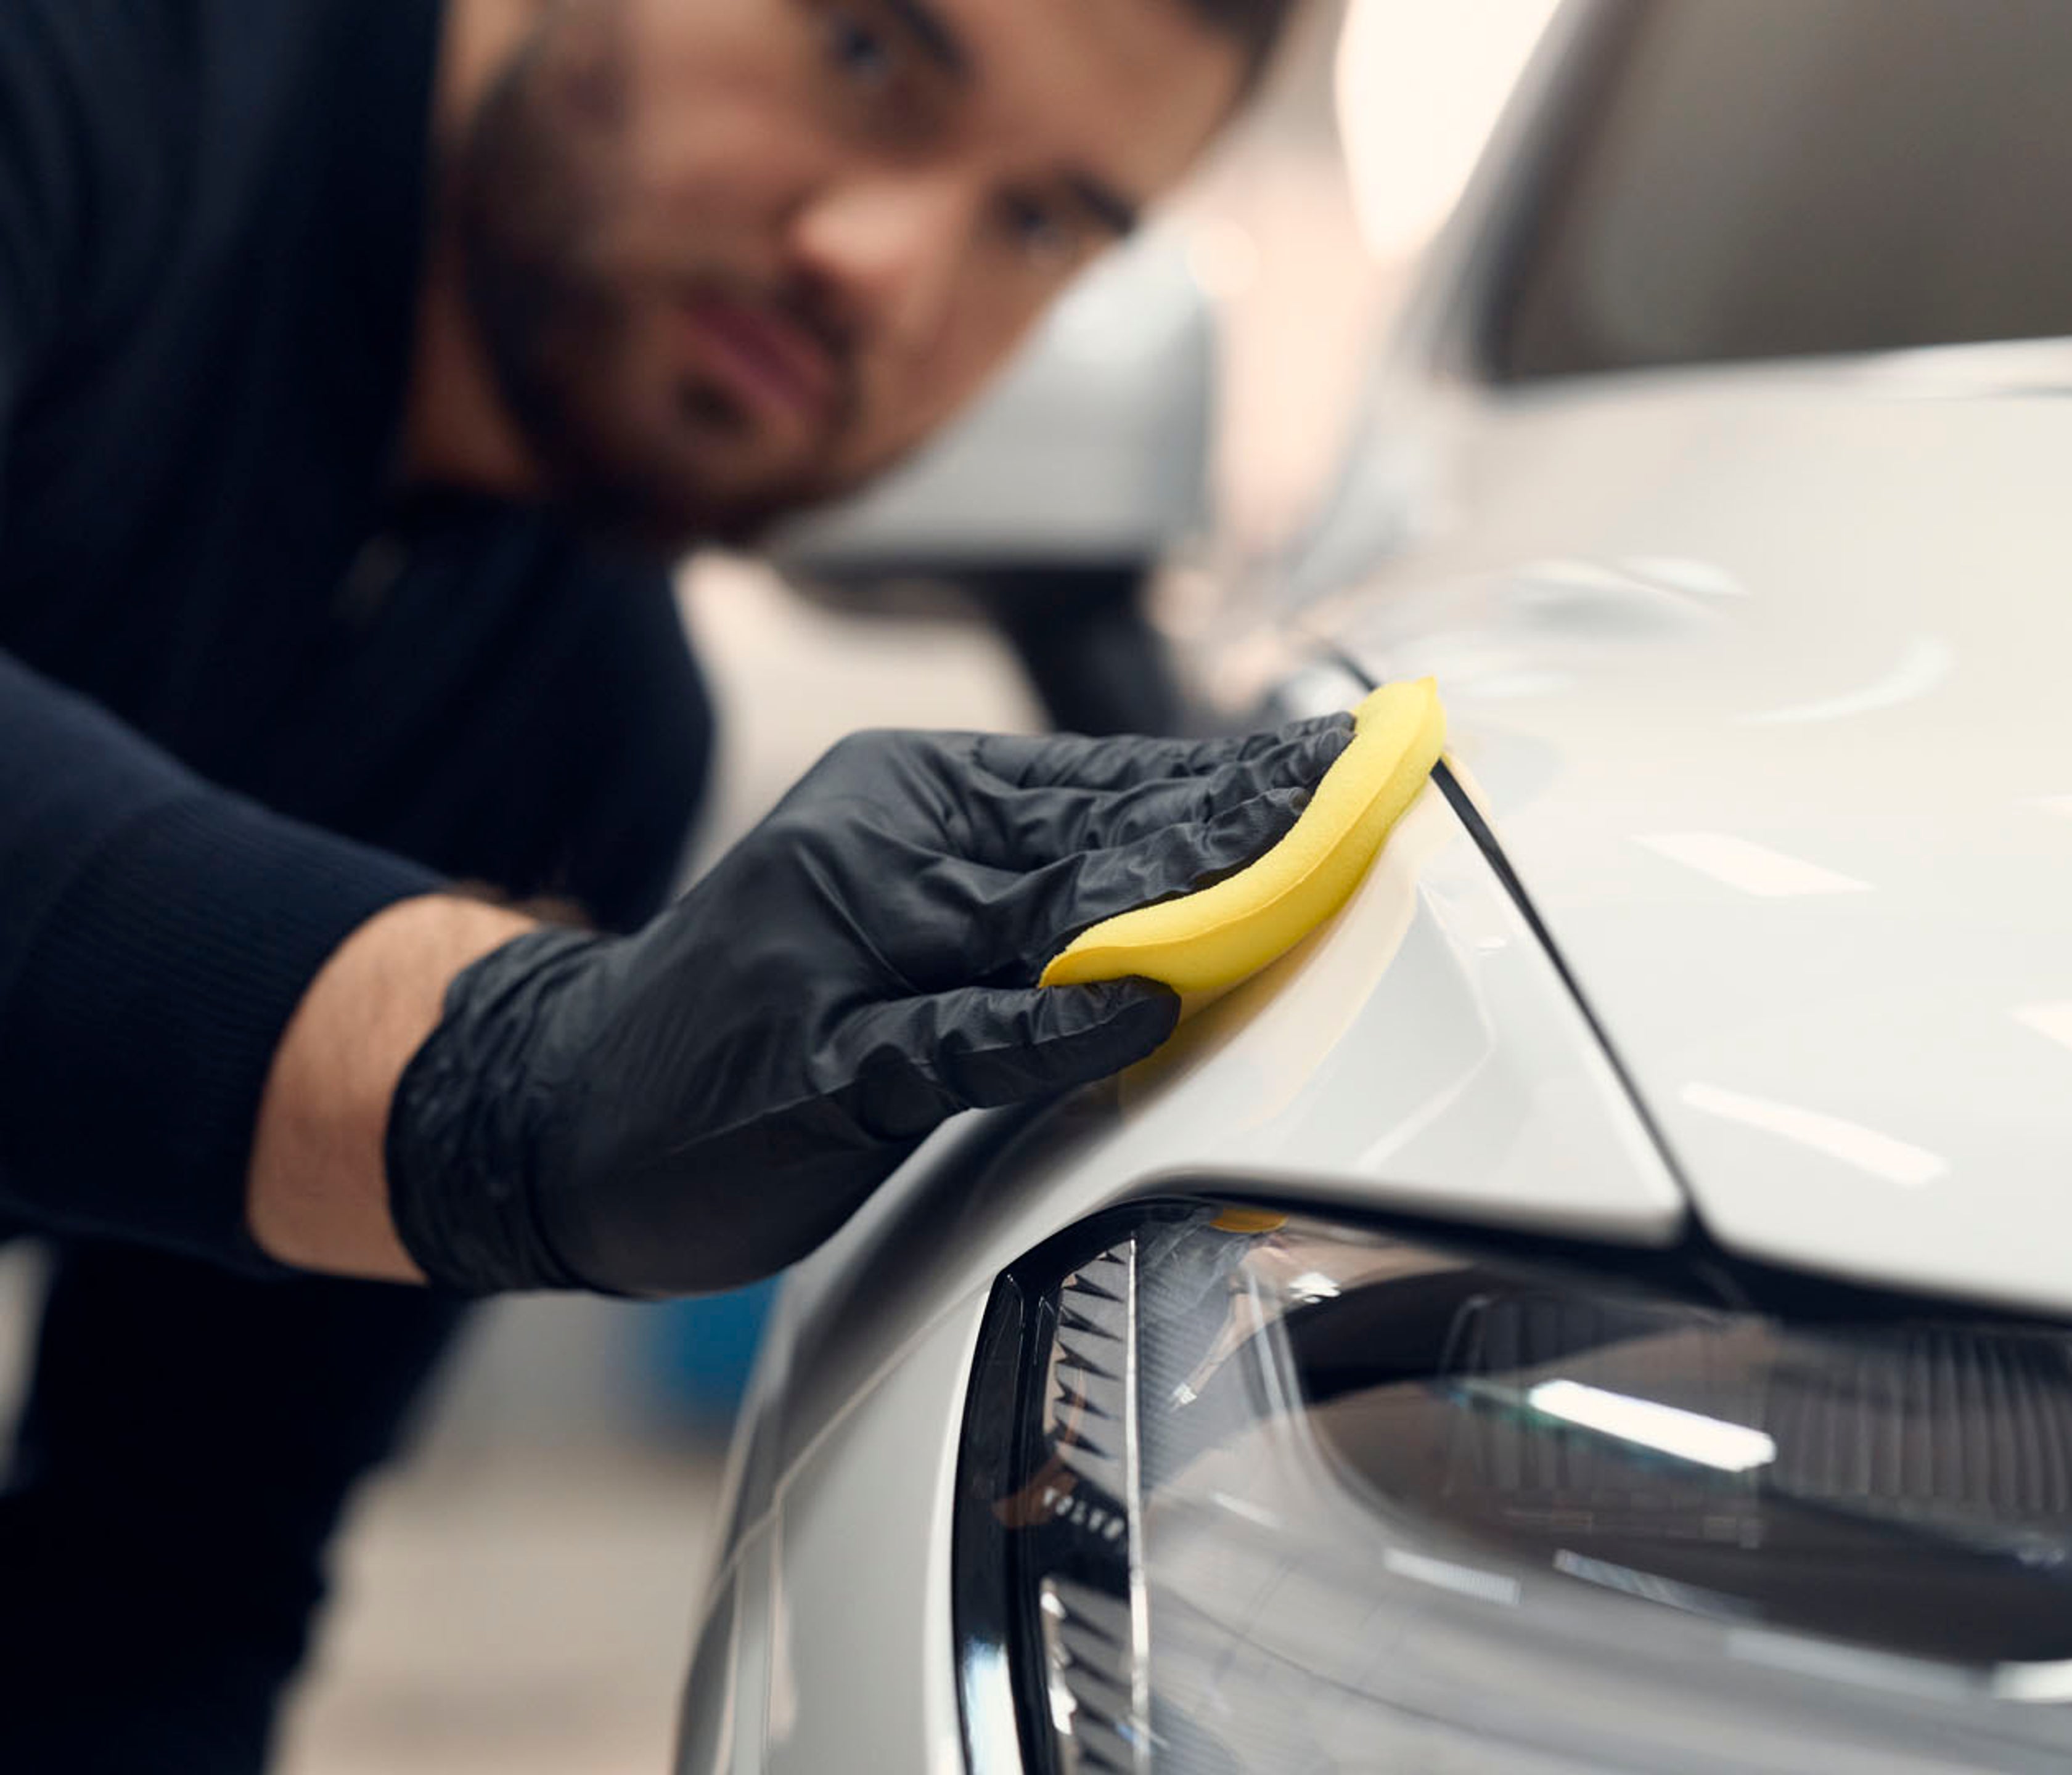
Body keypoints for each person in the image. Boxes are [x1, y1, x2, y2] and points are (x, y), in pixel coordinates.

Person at [0, 0, 1319, 1764]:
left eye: (1038, 224)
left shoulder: (584, 732)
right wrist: (482, 1074)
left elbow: (156, 1587)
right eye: (868, 58)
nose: (881, 269)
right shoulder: (77, 67)